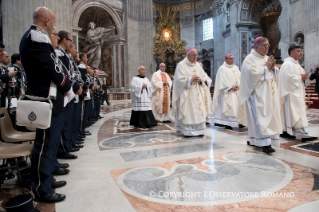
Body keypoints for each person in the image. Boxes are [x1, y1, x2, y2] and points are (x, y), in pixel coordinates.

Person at [20, 7, 73, 202]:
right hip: (45, 97)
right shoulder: (35, 37)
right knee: (45, 145)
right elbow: (52, 67)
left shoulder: (37, 38)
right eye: (54, 22)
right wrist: (67, 85)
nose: (55, 28)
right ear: (48, 21)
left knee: (50, 144)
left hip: (51, 97)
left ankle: (47, 178)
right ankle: (42, 188)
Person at [237, 36, 282, 154]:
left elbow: (272, 75)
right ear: (256, 46)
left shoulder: (266, 58)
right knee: (259, 118)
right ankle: (263, 143)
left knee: (268, 116)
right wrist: (266, 67)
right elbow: (252, 75)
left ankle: (255, 140)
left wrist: (273, 69)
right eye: (264, 45)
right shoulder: (249, 59)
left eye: (268, 45)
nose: (267, 48)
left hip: (268, 94)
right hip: (256, 95)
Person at [279, 43, 318, 141]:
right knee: (295, 114)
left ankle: (294, 132)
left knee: (299, 114)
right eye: (298, 51)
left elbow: (298, 78)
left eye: (301, 51)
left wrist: (303, 77)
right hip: (291, 95)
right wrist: (301, 77)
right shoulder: (287, 64)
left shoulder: (297, 65)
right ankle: (301, 134)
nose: (301, 53)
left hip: (298, 94)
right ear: (292, 52)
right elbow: (287, 79)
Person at [172, 48, 212, 137]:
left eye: (197, 55)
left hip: (198, 91)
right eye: (194, 55)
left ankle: (200, 131)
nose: (195, 57)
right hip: (187, 93)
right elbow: (179, 80)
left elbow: (205, 77)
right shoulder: (181, 65)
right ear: (188, 55)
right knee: (189, 111)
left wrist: (200, 79)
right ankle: (188, 132)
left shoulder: (198, 66)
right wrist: (191, 79)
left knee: (199, 110)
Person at [212, 53, 241, 129]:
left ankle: (238, 122)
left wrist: (239, 85)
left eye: (233, 58)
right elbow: (221, 80)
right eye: (230, 58)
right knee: (228, 107)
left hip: (236, 91)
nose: (232, 60)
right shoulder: (222, 68)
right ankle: (227, 123)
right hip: (227, 91)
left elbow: (240, 77)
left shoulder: (236, 68)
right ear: (226, 59)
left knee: (236, 107)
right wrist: (230, 87)